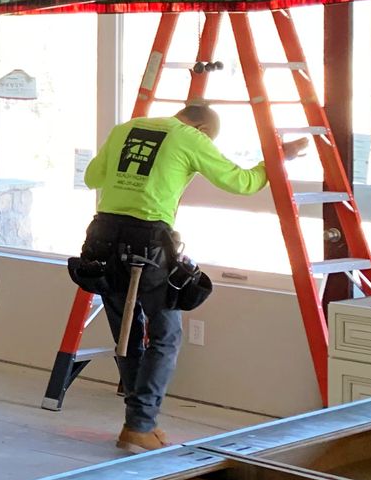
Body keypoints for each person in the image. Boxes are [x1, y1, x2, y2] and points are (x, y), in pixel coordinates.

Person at [77, 103, 309, 452]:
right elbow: (242, 183)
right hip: (148, 241)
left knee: (126, 332)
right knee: (165, 335)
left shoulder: (128, 127)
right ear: (202, 129)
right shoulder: (190, 139)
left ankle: (138, 422)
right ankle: (139, 424)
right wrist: (278, 159)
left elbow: (92, 177)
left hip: (102, 240)